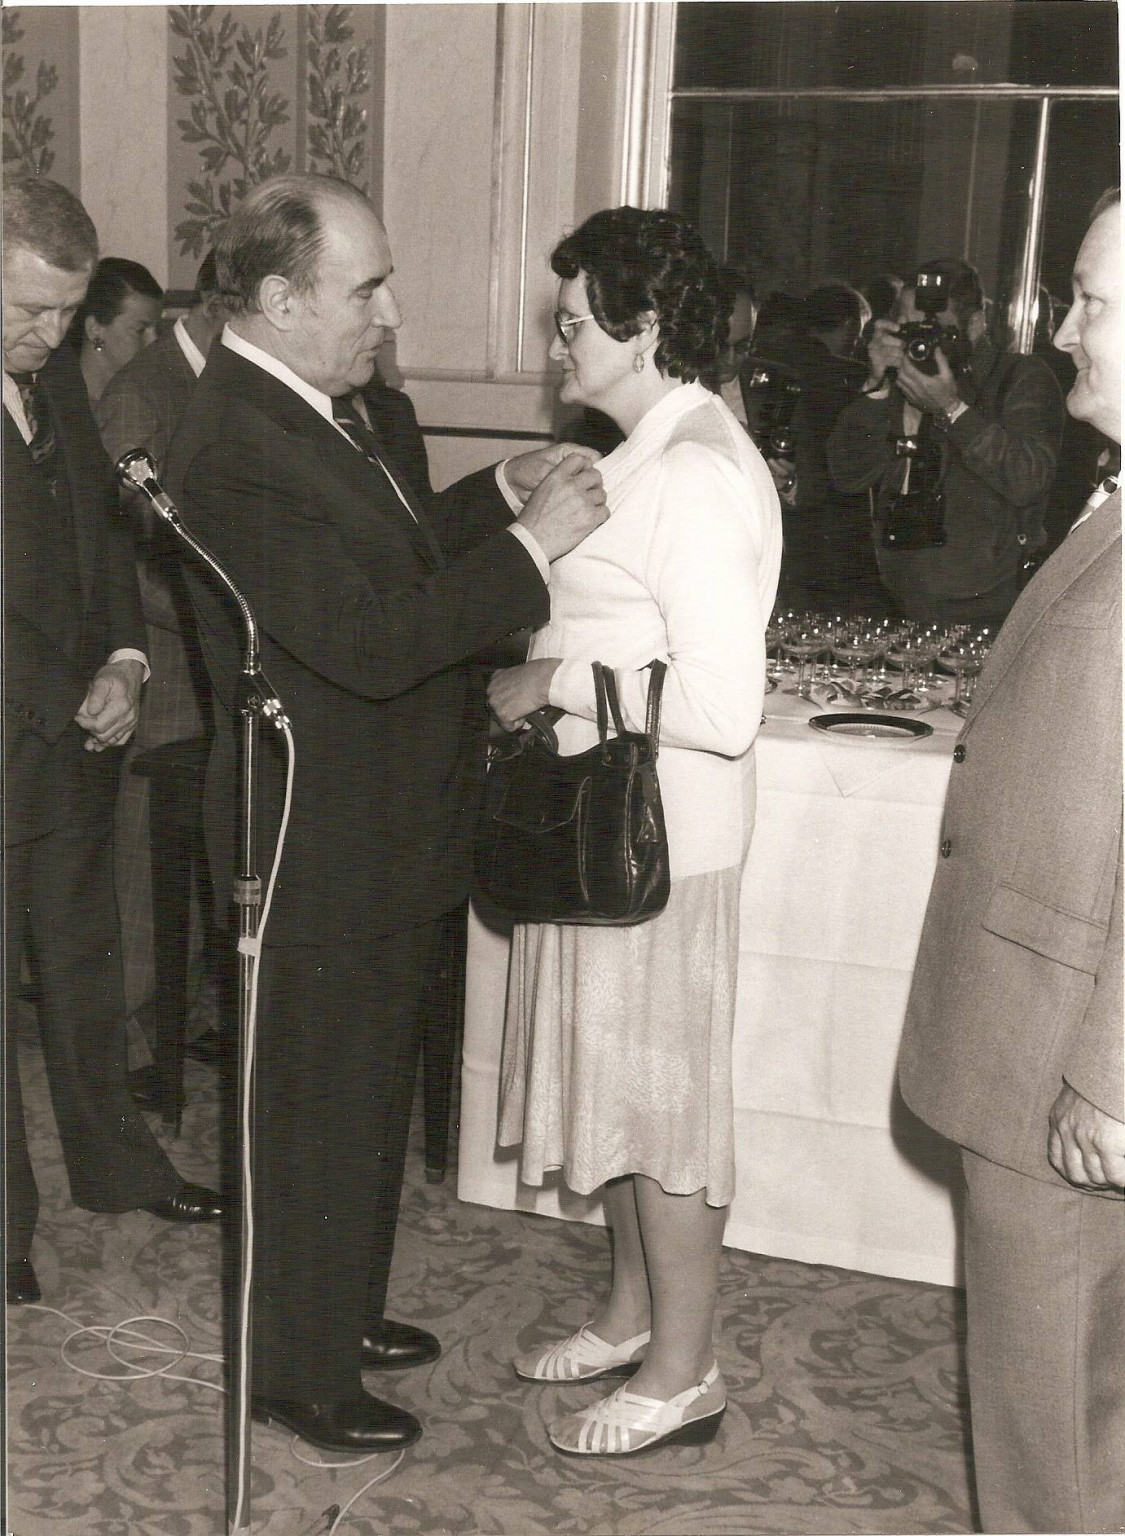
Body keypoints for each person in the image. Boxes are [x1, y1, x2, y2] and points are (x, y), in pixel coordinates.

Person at [164, 172, 608, 1454]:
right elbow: (363, 641)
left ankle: (336, 1314)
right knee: (311, 1111)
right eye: (366, 289)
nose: (390, 311)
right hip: (313, 841)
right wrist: (534, 549)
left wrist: (491, 493)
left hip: (377, 828)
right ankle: (294, 1372)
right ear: (278, 298)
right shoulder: (234, 441)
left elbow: (383, 550)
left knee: (357, 1104)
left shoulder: (311, 408)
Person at [488, 206, 783, 1457]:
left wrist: (546, 685)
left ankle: (684, 1370)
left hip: (664, 842)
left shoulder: (702, 471)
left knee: (663, 1122)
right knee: (620, 1100)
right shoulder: (647, 454)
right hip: (600, 823)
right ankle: (626, 1315)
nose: (558, 350)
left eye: (571, 326)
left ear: (645, 326)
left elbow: (722, 709)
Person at [896, 191, 1123, 1533]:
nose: (1062, 334)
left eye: (1094, 305)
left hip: (1067, 1062)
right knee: (1071, 1413)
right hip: (1046, 1039)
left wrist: (1110, 1070)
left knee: (1054, 1437)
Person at [3, 177, 221, 1308]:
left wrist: (129, 663)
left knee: (88, 975)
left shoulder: (58, 387)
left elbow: (102, 539)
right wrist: (68, 689)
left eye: (65, 312)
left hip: (77, 736)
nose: (51, 336)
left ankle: (117, 1167)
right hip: (13, 733)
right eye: (29, 310)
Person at [96, 252, 224, 1037]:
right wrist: (221, 612)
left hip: (210, 670)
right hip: (165, 672)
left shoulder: (220, 385)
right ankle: (124, 1053)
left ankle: (178, 1030)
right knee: (142, 887)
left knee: (197, 876)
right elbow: (125, 560)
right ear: (214, 302)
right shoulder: (142, 391)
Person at [827, 256, 1066, 629]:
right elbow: (847, 475)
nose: (921, 344)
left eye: (935, 331)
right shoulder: (898, 381)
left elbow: (1028, 478)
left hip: (988, 612)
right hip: (894, 602)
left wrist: (951, 408)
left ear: (975, 325)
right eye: (910, 330)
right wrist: (877, 386)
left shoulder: (1019, 377)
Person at [67, 256, 163, 406]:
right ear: (95, 330)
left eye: (157, 330)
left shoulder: (149, 400)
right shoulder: (63, 407)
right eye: (140, 330)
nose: (154, 342)